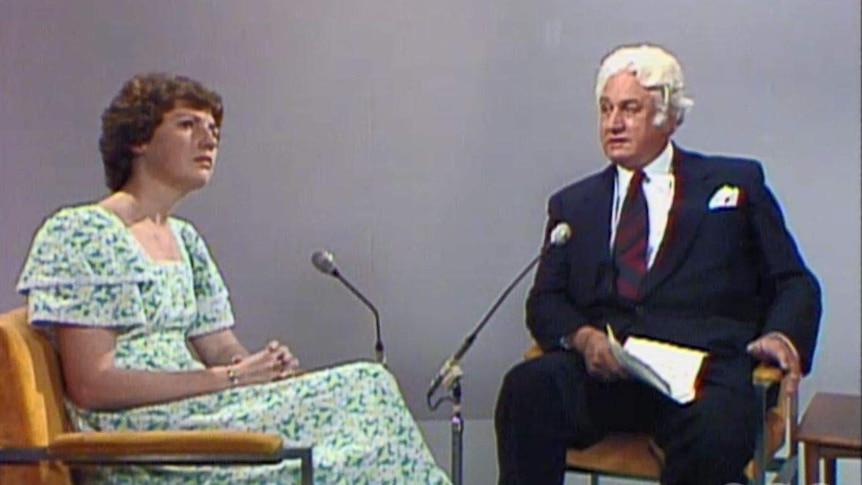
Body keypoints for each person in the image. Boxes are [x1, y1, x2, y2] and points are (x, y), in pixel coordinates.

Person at [17, 72, 452, 485]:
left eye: (213, 131)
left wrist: (259, 369)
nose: (209, 139)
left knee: (368, 395)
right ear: (138, 140)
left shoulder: (184, 239)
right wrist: (231, 380)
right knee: (366, 387)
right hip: (142, 439)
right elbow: (93, 385)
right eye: (188, 125)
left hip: (198, 414)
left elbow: (220, 348)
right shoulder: (81, 232)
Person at [494, 44, 821, 485]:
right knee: (526, 389)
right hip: (609, 373)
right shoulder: (573, 204)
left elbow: (794, 281)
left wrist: (782, 335)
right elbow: (545, 301)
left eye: (629, 109)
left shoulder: (735, 185)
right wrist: (584, 337)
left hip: (703, 377)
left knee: (715, 435)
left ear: (667, 116)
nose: (613, 123)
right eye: (606, 109)